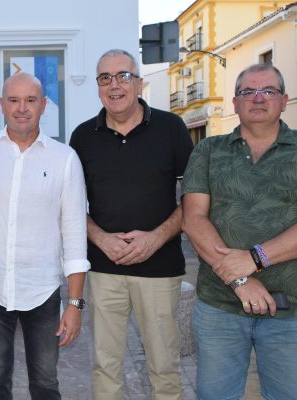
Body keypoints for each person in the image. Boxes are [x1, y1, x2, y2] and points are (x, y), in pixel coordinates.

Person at [0, 72, 90, 400]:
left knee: (45, 385)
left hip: (41, 291)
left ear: (44, 106)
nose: (22, 108)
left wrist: (73, 305)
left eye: (30, 100)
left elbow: (74, 236)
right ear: (2, 105)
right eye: (13, 100)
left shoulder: (64, 159)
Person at [70, 49, 193, 400]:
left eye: (123, 76)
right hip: (105, 271)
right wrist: (100, 238)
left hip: (161, 269)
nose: (115, 85)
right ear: (97, 87)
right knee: (105, 367)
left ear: (138, 82)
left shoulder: (171, 129)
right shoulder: (82, 138)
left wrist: (155, 238)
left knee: (164, 367)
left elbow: (195, 200)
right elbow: (70, 205)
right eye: (105, 78)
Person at [182, 64, 297, 400]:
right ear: (234, 102)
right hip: (220, 307)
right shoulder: (208, 150)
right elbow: (193, 219)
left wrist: (254, 259)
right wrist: (240, 280)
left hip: (290, 312)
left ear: (284, 100)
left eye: (268, 91)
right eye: (248, 91)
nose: (258, 98)